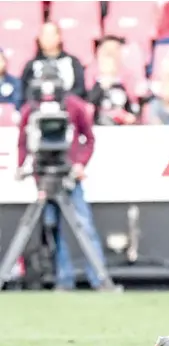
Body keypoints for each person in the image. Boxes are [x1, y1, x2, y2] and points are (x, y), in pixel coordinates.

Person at [16, 65, 117, 292]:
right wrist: (22, 166)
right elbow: (22, 141)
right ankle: (64, 278)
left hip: (69, 173)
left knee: (83, 225)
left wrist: (80, 163)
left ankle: (99, 279)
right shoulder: (30, 109)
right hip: (43, 175)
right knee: (55, 229)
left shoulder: (74, 106)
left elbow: (88, 138)